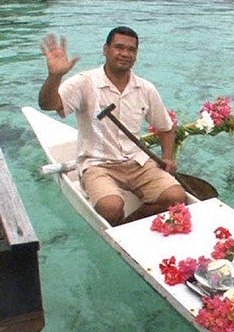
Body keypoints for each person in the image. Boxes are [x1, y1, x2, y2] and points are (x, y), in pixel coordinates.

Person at [38, 26, 186, 225]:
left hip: (137, 162)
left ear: (136, 55)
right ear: (105, 49)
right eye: (119, 47)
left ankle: (128, 225)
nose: (125, 54)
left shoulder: (145, 88)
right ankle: (119, 224)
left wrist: (167, 158)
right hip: (98, 164)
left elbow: (166, 128)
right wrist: (54, 76)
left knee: (176, 196)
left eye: (131, 50)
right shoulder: (85, 82)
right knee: (111, 207)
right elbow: (48, 104)